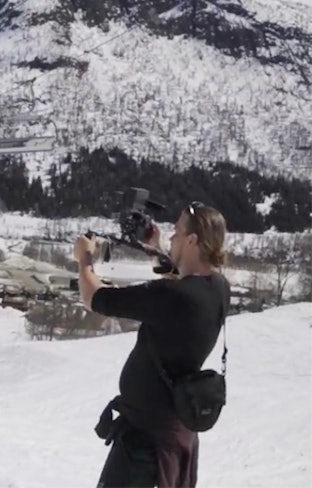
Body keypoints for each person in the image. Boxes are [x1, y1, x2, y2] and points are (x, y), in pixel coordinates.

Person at [74, 202, 231, 488]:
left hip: (144, 445)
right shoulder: (219, 288)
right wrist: (154, 249)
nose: (171, 237)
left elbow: (95, 298)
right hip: (173, 433)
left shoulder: (172, 296)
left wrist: (84, 260)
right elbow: (183, 282)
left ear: (193, 240)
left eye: (178, 232)